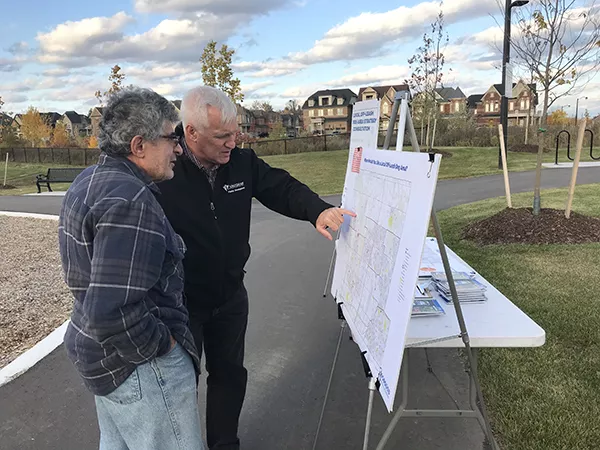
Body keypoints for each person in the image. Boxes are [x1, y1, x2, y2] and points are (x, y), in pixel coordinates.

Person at [157, 85, 355, 450]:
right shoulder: (165, 172)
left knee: (230, 376)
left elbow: (281, 187)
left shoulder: (242, 164)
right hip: (182, 306)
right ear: (191, 134)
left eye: (235, 133)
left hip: (230, 297)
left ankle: (224, 444)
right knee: (180, 385)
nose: (233, 142)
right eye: (222, 136)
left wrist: (317, 209)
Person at [58, 87, 205, 450]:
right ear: (139, 145)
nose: (179, 149)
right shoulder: (131, 201)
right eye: (173, 137)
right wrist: (165, 346)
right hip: (139, 367)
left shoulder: (89, 180)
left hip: (103, 358)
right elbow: (112, 313)